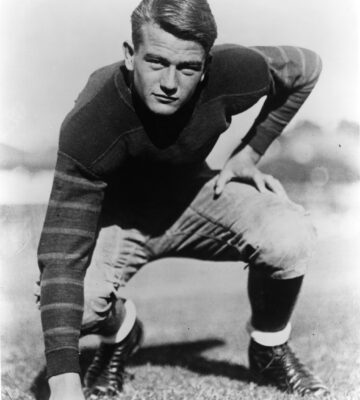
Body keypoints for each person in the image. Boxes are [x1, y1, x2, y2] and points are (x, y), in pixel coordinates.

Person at [37, 0, 330, 398]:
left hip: (193, 198)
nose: (170, 82)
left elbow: (306, 66)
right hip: (119, 219)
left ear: (206, 65)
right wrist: (64, 385)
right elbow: (61, 257)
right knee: (80, 305)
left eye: (187, 67)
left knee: (289, 234)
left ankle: (269, 347)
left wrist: (250, 152)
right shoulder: (90, 123)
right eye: (156, 61)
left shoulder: (234, 69)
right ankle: (121, 331)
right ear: (129, 55)